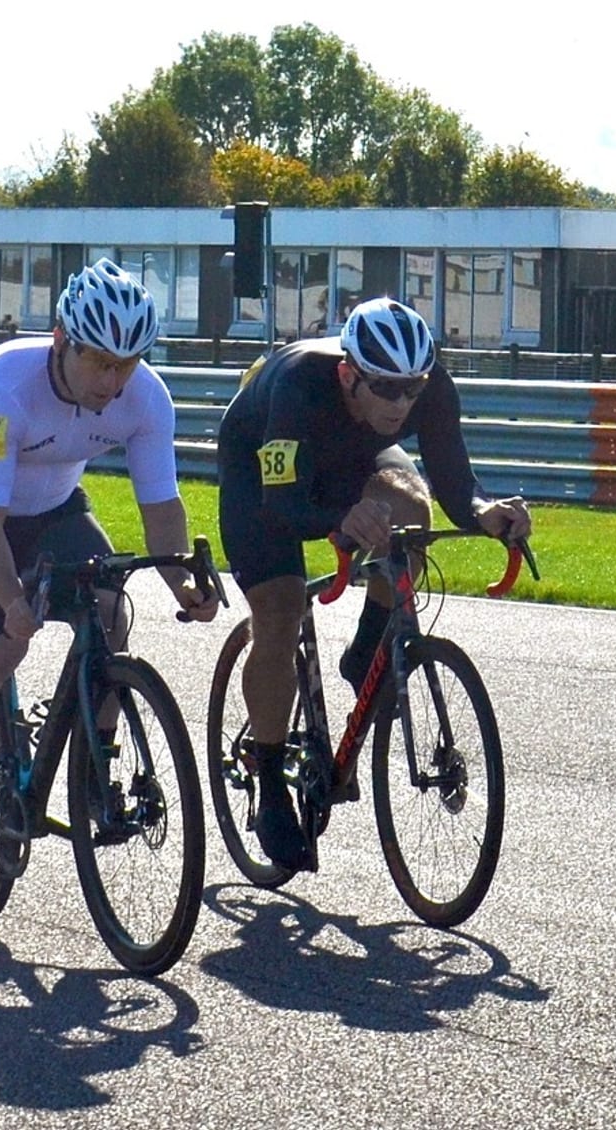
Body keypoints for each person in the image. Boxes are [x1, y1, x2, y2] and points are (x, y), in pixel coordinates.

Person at [216, 296, 531, 871]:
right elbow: (284, 504)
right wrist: (338, 520)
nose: (402, 401)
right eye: (386, 389)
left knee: (413, 512)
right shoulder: (298, 384)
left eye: (412, 388)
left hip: (351, 456)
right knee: (281, 613)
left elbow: (456, 481)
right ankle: (269, 779)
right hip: (263, 471)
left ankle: (367, 651)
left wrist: (486, 512)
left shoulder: (429, 388)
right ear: (348, 373)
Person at [0, 258, 221, 832]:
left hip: (55, 510)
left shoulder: (147, 398)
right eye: (100, 362)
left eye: (126, 364)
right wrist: (11, 601)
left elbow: (160, 505)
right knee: (6, 643)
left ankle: (93, 775)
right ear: (61, 340)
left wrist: (182, 583)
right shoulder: (1, 387)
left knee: (110, 613)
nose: (112, 381)